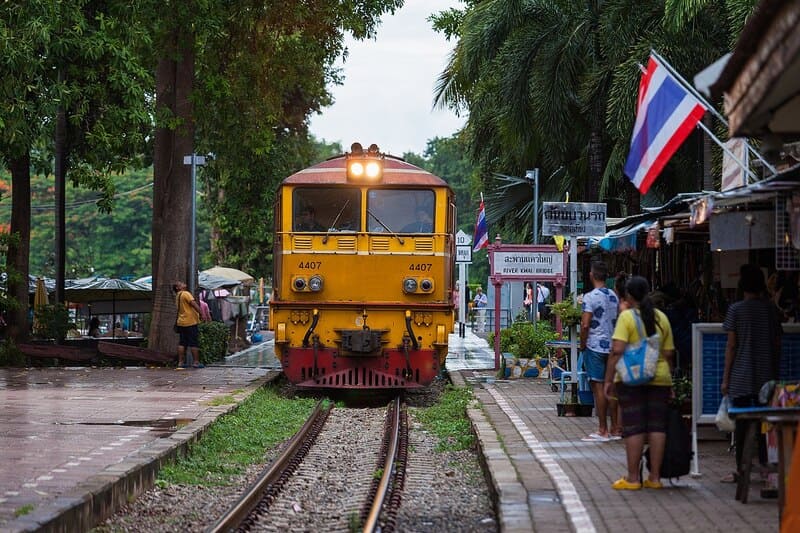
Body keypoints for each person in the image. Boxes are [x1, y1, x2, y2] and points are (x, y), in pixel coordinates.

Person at [604, 275, 675, 490]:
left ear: (627, 295)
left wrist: (608, 380)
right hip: (660, 377)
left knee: (634, 427)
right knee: (657, 427)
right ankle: (655, 478)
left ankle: (633, 478)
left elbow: (616, 351)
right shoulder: (661, 318)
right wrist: (669, 379)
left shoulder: (626, 318)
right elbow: (669, 353)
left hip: (631, 379)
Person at [720, 264, 782, 486]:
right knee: (767, 426)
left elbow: (731, 346)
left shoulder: (736, 310)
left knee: (743, 427)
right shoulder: (771, 310)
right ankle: (768, 471)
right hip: (768, 379)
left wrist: (726, 378)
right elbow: (777, 344)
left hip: (742, 377)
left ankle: (742, 470)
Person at [580, 261, 620, 441]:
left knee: (598, 388)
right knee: (611, 387)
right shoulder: (614, 296)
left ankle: (602, 429)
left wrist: (582, 344)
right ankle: (616, 428)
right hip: (612, 346)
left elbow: (585, 323)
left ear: (592, 275)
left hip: (594, 345)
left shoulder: (590, 297)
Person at [174, 281, 204, 369]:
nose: (183, 283)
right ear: (178, 287)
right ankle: (196, 362)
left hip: (181, 322)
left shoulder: (178, 295)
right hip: (190, 322)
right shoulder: (186, 294)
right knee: (193, 342)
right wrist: (201, 313)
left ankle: (180, 362)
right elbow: (194, 304)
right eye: (180, 283)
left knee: (182, 342)